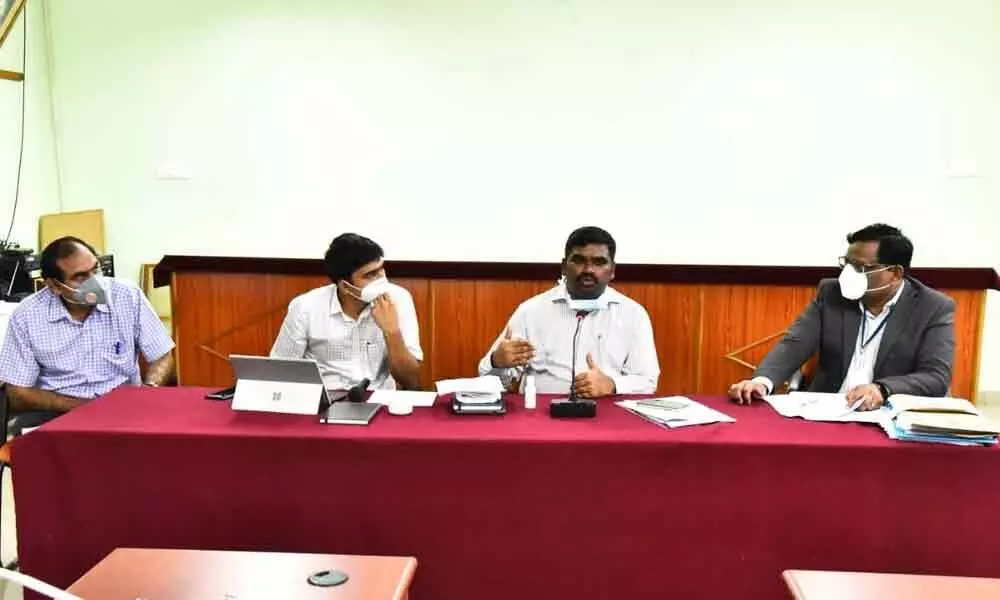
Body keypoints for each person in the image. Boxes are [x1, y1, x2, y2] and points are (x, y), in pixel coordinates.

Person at [729, 223, 955, 410]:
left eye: (861, 267)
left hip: (887, 412)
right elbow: (795, 343)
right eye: (846, 264)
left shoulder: (933, 307)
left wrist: (882, 389)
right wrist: (761, 382)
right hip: (828, 408)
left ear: (895, 274)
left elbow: (935, 376)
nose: (848, 274)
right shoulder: (832, 293)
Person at [0, 236, 175, 416]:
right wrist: (86, 407)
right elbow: (18, 392)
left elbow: (163, 356)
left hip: (124, 408)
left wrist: (149, 389)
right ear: (54, 285)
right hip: (57, 413)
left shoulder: (127, 296)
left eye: (95, 269)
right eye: (80, 277)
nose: (95, 283)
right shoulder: (26, 315)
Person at [478, 226, 659, 396]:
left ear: (612, 270)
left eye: (599, 262)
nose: (588, 270)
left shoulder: (633, 315)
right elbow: (492, 381)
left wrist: (612, 385)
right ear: (564, 266)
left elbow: (647, 381)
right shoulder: (531, 311)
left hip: (607, 416)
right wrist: (497, 362)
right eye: (579, 261)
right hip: (541, 417)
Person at [271, 233, 422, 390]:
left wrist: (392, 332)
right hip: (327, 398)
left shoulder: (399, 299)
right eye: (369, 275)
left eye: (380, 269)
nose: (380, 280)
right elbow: (280, 371)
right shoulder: (305, 307)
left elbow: (409, 380)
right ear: (345, 286)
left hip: (378, 399)